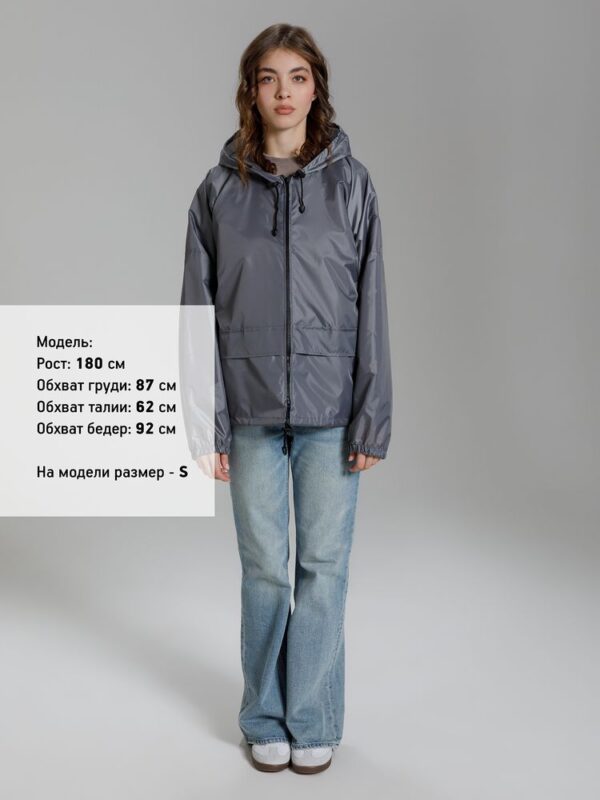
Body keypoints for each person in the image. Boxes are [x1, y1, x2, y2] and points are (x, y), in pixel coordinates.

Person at [181, 23, 392, 774]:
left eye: (297, 77)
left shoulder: (352, 185)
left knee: (324, 568)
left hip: (333, 414)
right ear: (251, 89)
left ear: (315, 89)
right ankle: (263, 716)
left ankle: (313, 718)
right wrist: (204, 423)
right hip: (249, 413)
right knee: (266, 569)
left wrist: (372, 414)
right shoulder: (218, 192)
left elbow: (372, 304)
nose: (283, 92)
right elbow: (195, 311)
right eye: (269, 77)